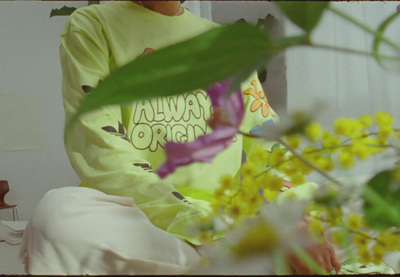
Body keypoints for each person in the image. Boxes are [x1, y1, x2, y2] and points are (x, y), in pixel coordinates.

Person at [19, 1, 341, 275]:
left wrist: (293, 220)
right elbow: (99, 142)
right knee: (58, 217)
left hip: (223, 217)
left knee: (350, 214)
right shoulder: (92, 25)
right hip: (139, 215)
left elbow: (268, 142)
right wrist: (199, 225)